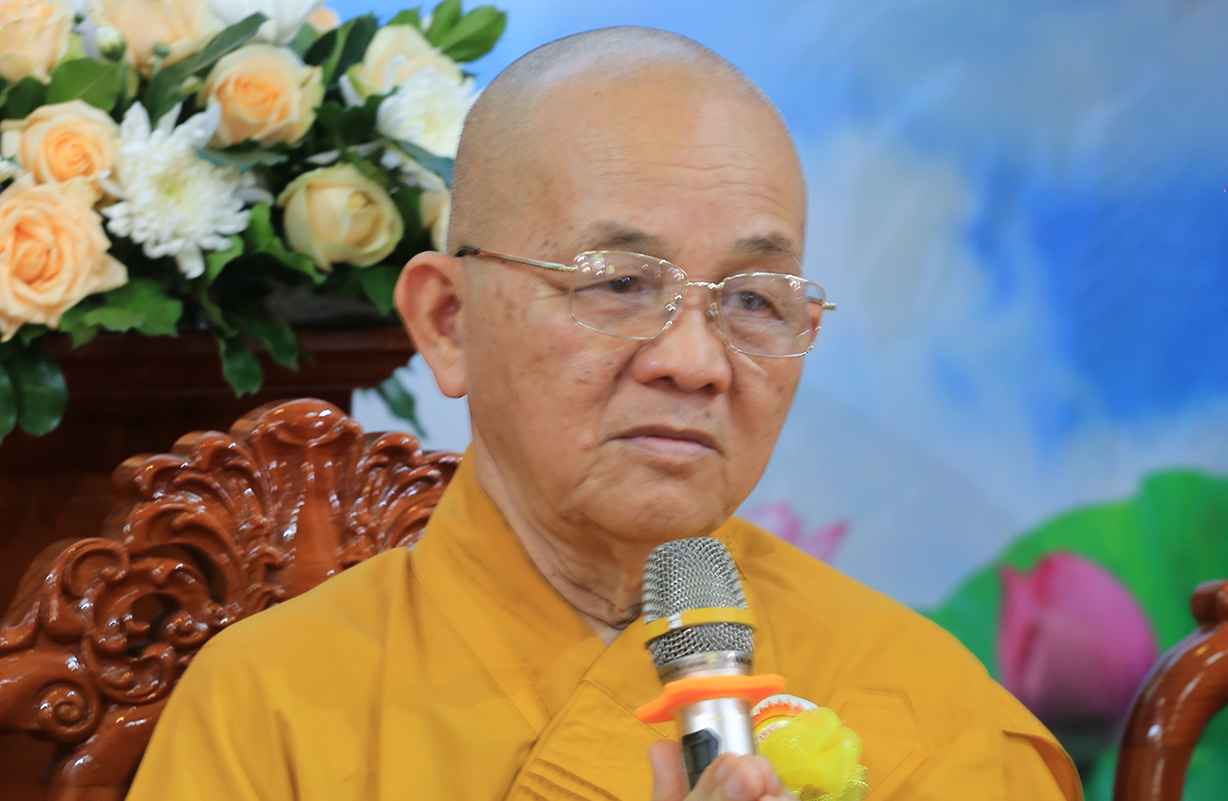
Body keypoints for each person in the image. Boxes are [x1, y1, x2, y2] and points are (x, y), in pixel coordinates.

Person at [126, 27, 1082, 801]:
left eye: (754, 299)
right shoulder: (270, 707)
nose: (695, 362)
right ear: (449, 321)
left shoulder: (923, 702)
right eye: (620, 283)